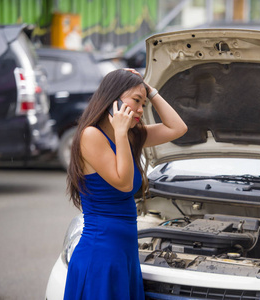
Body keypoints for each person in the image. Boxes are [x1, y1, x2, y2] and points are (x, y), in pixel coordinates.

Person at [64, 68, 187, 299]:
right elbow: (123, 183)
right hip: (101, 255)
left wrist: (150, 91)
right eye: (136, 101)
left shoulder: (130, 135)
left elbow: (178, 128)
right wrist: (120, 133)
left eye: (144, 103)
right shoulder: (91, 135)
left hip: (124, 252)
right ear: (113, 100)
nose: (141, 109)